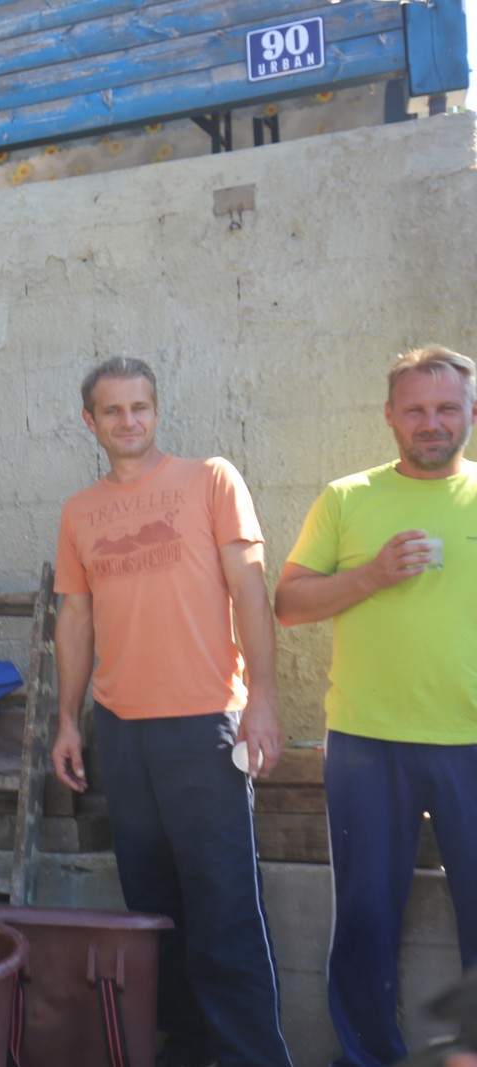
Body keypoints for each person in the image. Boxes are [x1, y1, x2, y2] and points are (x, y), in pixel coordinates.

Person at [50, 358, 291, 1067]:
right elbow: (75, 618)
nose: (130, 420)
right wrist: (69, 719)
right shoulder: (79, 511)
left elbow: (251, 591)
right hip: (120, 730)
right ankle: (187, 1051)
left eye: (141, 406)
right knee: (153, 911)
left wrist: (265, 702)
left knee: (225, 913)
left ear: (157, 411)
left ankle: (253, 1058)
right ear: (90, 422)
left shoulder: (210, 479)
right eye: (114, 410)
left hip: (206, 723)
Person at [273, 345, 477, 1067]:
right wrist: (373, 574)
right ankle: (369, 1058)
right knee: (364, 918)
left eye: (446, 407)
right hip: (365, 741)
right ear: (389, 416)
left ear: (472, 413)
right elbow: (289, 604)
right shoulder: (346, 497)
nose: (431, 422)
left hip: (472, 741)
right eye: (415, 409)